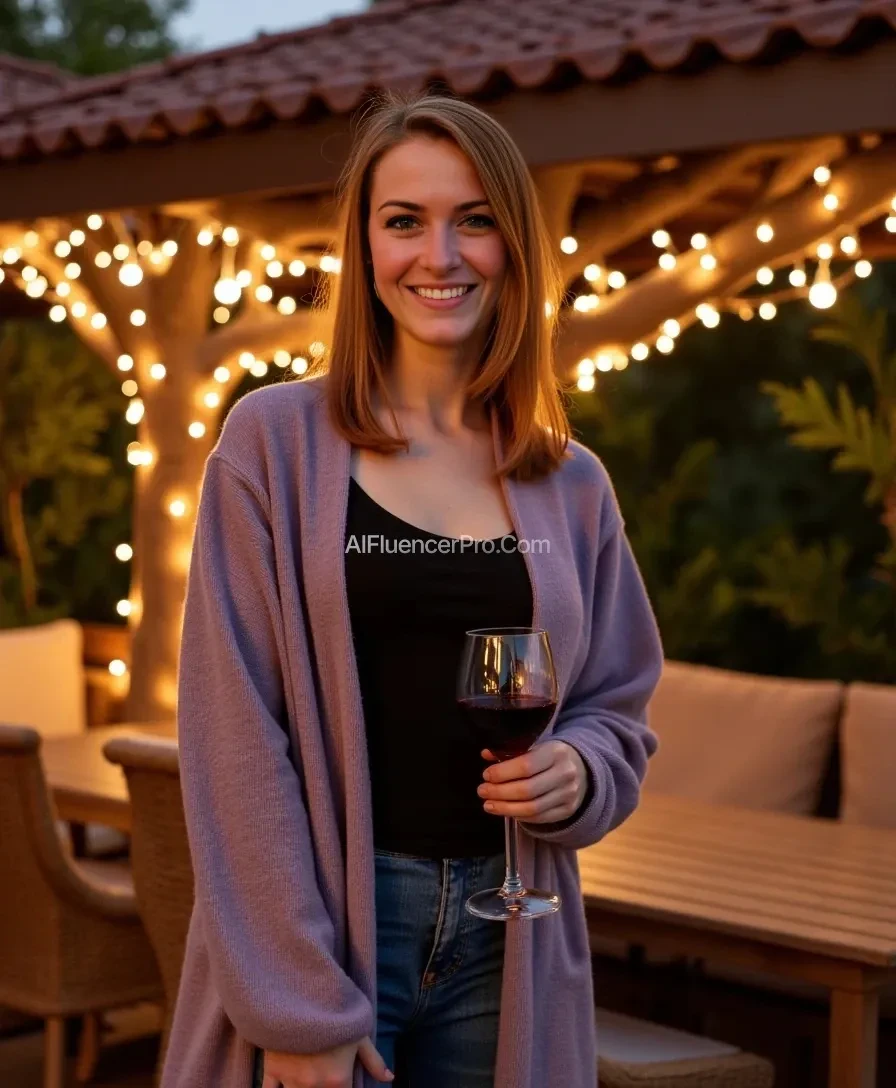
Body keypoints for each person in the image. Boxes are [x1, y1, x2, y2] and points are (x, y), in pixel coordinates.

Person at [162, 92, 663, 1088]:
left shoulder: (569, 480)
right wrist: (297, 1002)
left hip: (510, 928)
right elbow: (233, 737)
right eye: (404, 221)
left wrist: (578, 769)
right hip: (337, 929)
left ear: (512, 245)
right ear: (363, 246)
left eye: (473, 219)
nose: (439, 254)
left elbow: (616, 704)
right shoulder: (271, 445)